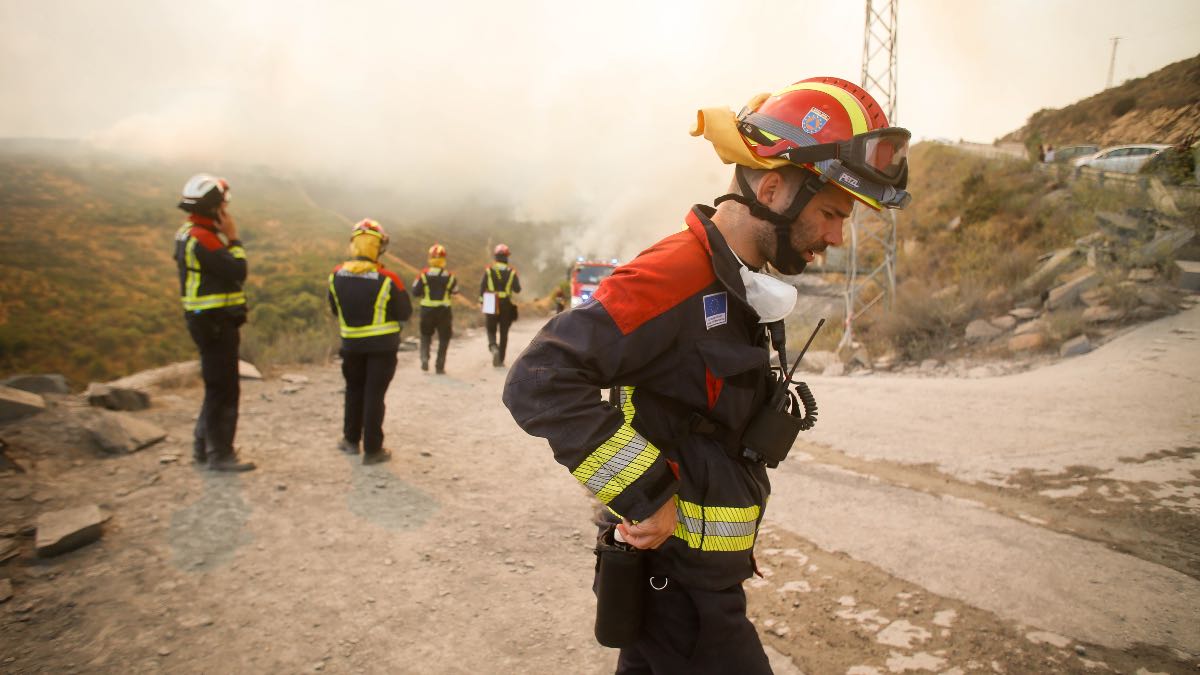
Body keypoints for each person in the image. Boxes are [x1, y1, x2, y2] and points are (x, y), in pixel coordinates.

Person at [502, 76, 911, 673]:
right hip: (680, 586)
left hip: (695, 579)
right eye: (830, 213)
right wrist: (646, 496)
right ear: (772, 188)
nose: (834, 237)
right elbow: (539, 378)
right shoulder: (676, 273)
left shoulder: (735, 281)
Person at [173, 174, 256, 472]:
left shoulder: (187, 233)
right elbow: (238, 270)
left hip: (206, 321)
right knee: (224, 388)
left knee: (215, 386)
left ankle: (203, 446)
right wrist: (233, 238)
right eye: (223, 205)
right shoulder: (204, 238)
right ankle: (221, 454)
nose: (226, 210)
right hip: (216, 323)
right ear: (213, 208)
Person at [328, 219, 413, 464]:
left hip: (351, 346)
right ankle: (373, 450)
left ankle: (350, 440)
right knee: (374, 395)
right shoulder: (388, 278)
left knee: (353, 390)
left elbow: (335, 309)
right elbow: (404, 312)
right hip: (382, 348)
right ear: (378, 247)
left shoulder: (335, 275)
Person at [411, 243, 458, 374]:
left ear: (430, 258)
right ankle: (439, 366)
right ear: (444, 259)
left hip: (427, 310)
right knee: (444, 338)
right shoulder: (450, 276)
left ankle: (424, 358)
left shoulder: (423, 275)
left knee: (425, 335)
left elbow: (415, 292)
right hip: (444, 311)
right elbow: (455, 291)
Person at [479, 244, 521, 367]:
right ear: (506, 257)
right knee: (504, 332)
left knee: (490, 329)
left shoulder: (489, 270)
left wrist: (482, 302)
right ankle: (500, 360)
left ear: (496, 257)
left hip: (491, 301)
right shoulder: (511, 272)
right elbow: (517, 289)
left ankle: (493, 347)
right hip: (506, 303)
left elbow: (482, 287)